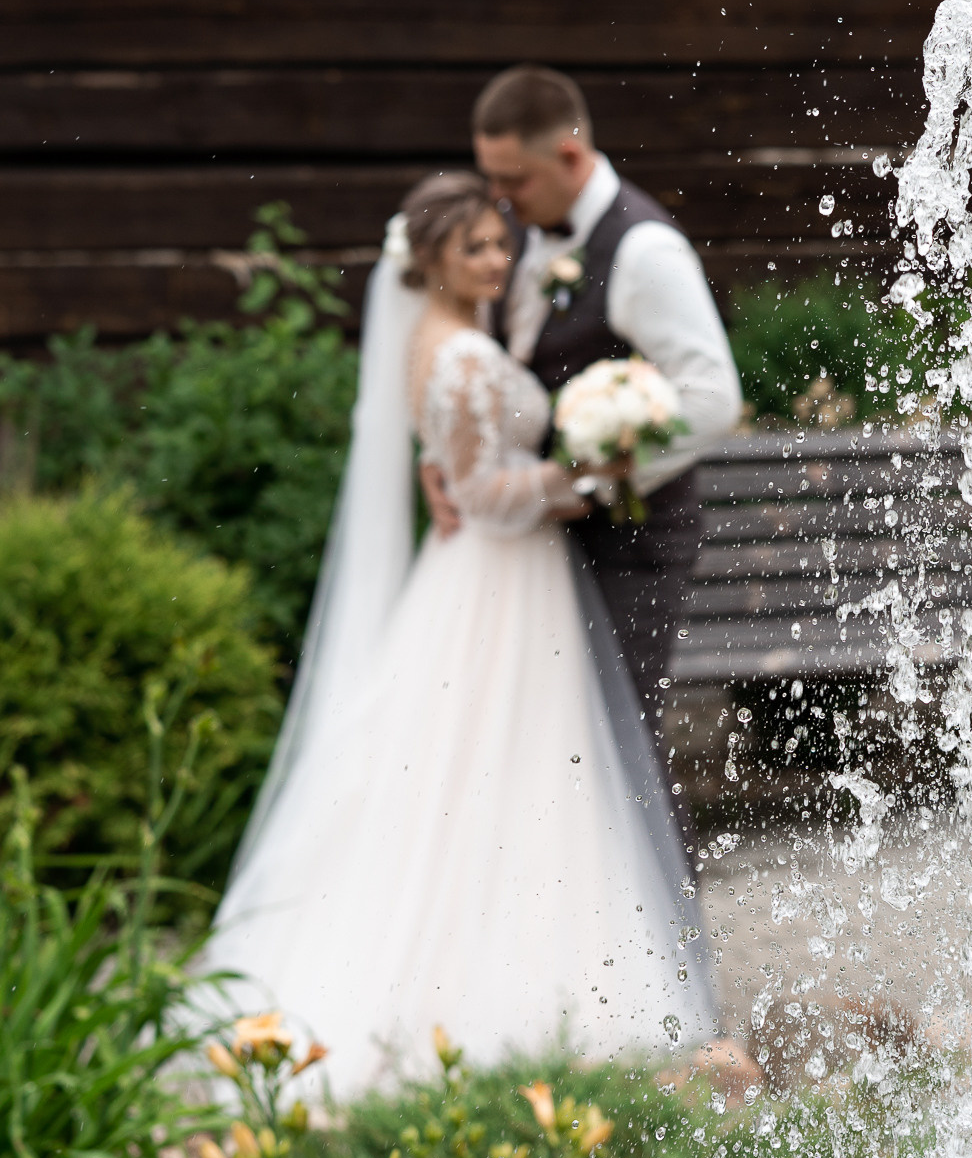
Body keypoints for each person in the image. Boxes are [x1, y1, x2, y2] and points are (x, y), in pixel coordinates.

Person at [202, 173, 717, 1098]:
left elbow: (452, 460)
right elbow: (485, 493)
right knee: (492, 768)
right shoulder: (457, 355)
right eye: (474, 247)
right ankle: (495, 992)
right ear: (431, 258)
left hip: (502, 576)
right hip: (497, 577)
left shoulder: (460, 336)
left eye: (498, 241)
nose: (495, 259)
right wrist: (590, 477)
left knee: (522, 770)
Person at [423, 66, 743, 744]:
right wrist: (441, 452)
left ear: (568, 156)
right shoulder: (519, 226)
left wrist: (593, 482)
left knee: (616, 746)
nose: (497, 196)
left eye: (512, 179)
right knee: (541, 745)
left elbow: (713, 399)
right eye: (492, 177)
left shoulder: (645, 250)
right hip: (533, 540)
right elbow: (481, 358)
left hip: (633, 540)